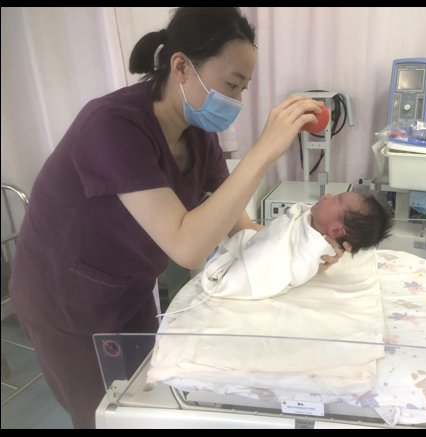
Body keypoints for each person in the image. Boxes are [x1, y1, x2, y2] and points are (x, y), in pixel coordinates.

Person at [8, 7, 350, 429]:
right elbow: (187, 247)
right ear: (182, 67)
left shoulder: (198, 135)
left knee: (146, 404)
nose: (237, 101)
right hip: (67, 302)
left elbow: (238, 224)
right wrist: (264, 150)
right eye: (232, 85)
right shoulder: (111, 126)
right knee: (104, 417)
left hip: (129, 292)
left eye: (243, 88)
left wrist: (305, 249)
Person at [200, 192, 393, 300]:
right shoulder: (311, 222)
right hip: (255, 244)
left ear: (336, 231)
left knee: (246, 269)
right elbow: (280, 232)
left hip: (258, 269)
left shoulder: (316, 247)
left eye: (336, 200)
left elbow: (289, 263)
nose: (328, 195)